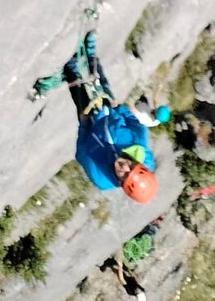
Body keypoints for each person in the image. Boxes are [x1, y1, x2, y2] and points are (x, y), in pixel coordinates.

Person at [34, 29, 168, 199]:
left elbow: (81, 154)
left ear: (121, 185)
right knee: (101, 82)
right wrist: (118, 108)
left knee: (77, 89)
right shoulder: (139, 147)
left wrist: (83, 125)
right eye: (130, 168)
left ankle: (71, 67)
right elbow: (136, 124)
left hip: (90, 124)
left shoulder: (102, 179)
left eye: (123, 177)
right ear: (137, 163)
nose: (123, 169)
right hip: (110, 112)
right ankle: (91, 55)